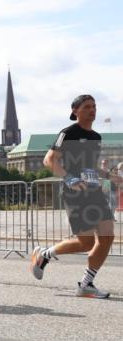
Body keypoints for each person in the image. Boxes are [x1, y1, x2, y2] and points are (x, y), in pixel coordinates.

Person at [30, 94, 121, 297]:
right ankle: (45, 254)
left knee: (107, 237)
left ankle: (86, 284)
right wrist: (69, 178)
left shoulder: (96, 137)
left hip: (94, 191)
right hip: (75, 193)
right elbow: (49, 160)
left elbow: (91, 167)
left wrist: (112, 177)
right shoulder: (68, 133)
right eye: (87, 106)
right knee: (86, 242)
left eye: (94, 106)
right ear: (75, 111)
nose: (92, 110)